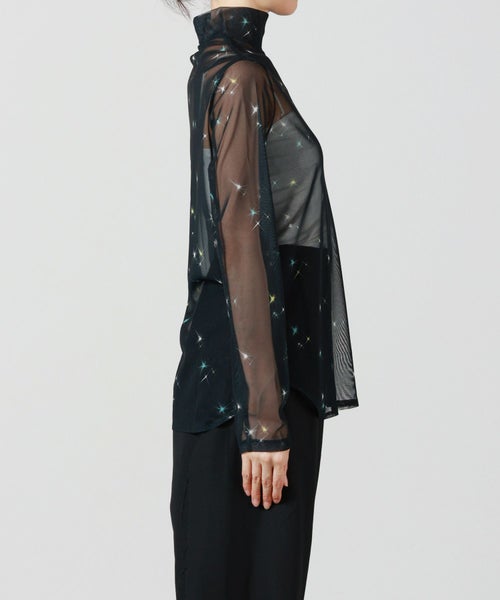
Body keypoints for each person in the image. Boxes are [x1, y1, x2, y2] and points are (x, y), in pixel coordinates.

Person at [167, 1, 359, 598]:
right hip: (252, 397)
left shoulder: (231, 65)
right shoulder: (240, 75)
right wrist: (264, 425)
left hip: (253, 384)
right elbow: (240, 244)